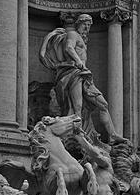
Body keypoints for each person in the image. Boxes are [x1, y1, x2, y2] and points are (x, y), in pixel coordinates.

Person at [40, 14, 125, 144]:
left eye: (89, 25)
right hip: (74, 72)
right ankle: (76, 137)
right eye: (85, 24)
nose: (87, 28)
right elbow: (69, 47)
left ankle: (112, 134)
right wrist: (78, 61)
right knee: (77, 106)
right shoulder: (73, 34)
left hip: (84, 74)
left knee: (103, 104)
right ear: (78, 24)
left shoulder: (82, 39)